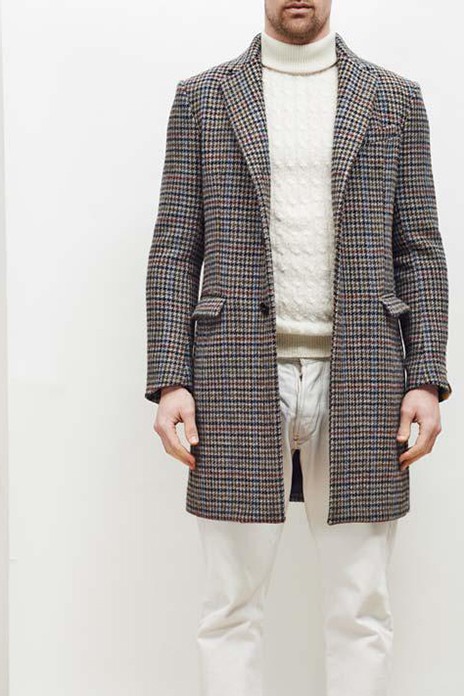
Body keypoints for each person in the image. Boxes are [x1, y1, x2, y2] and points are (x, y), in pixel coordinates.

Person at [145, 2, 452, 694]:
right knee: (229, 608)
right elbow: (175, 248)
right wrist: (171, 379)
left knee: (361, 609)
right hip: (232, 376)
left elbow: (420, 249)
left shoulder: (395, 99)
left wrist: (425, 376)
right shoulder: (202, 99)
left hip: (367, 377)